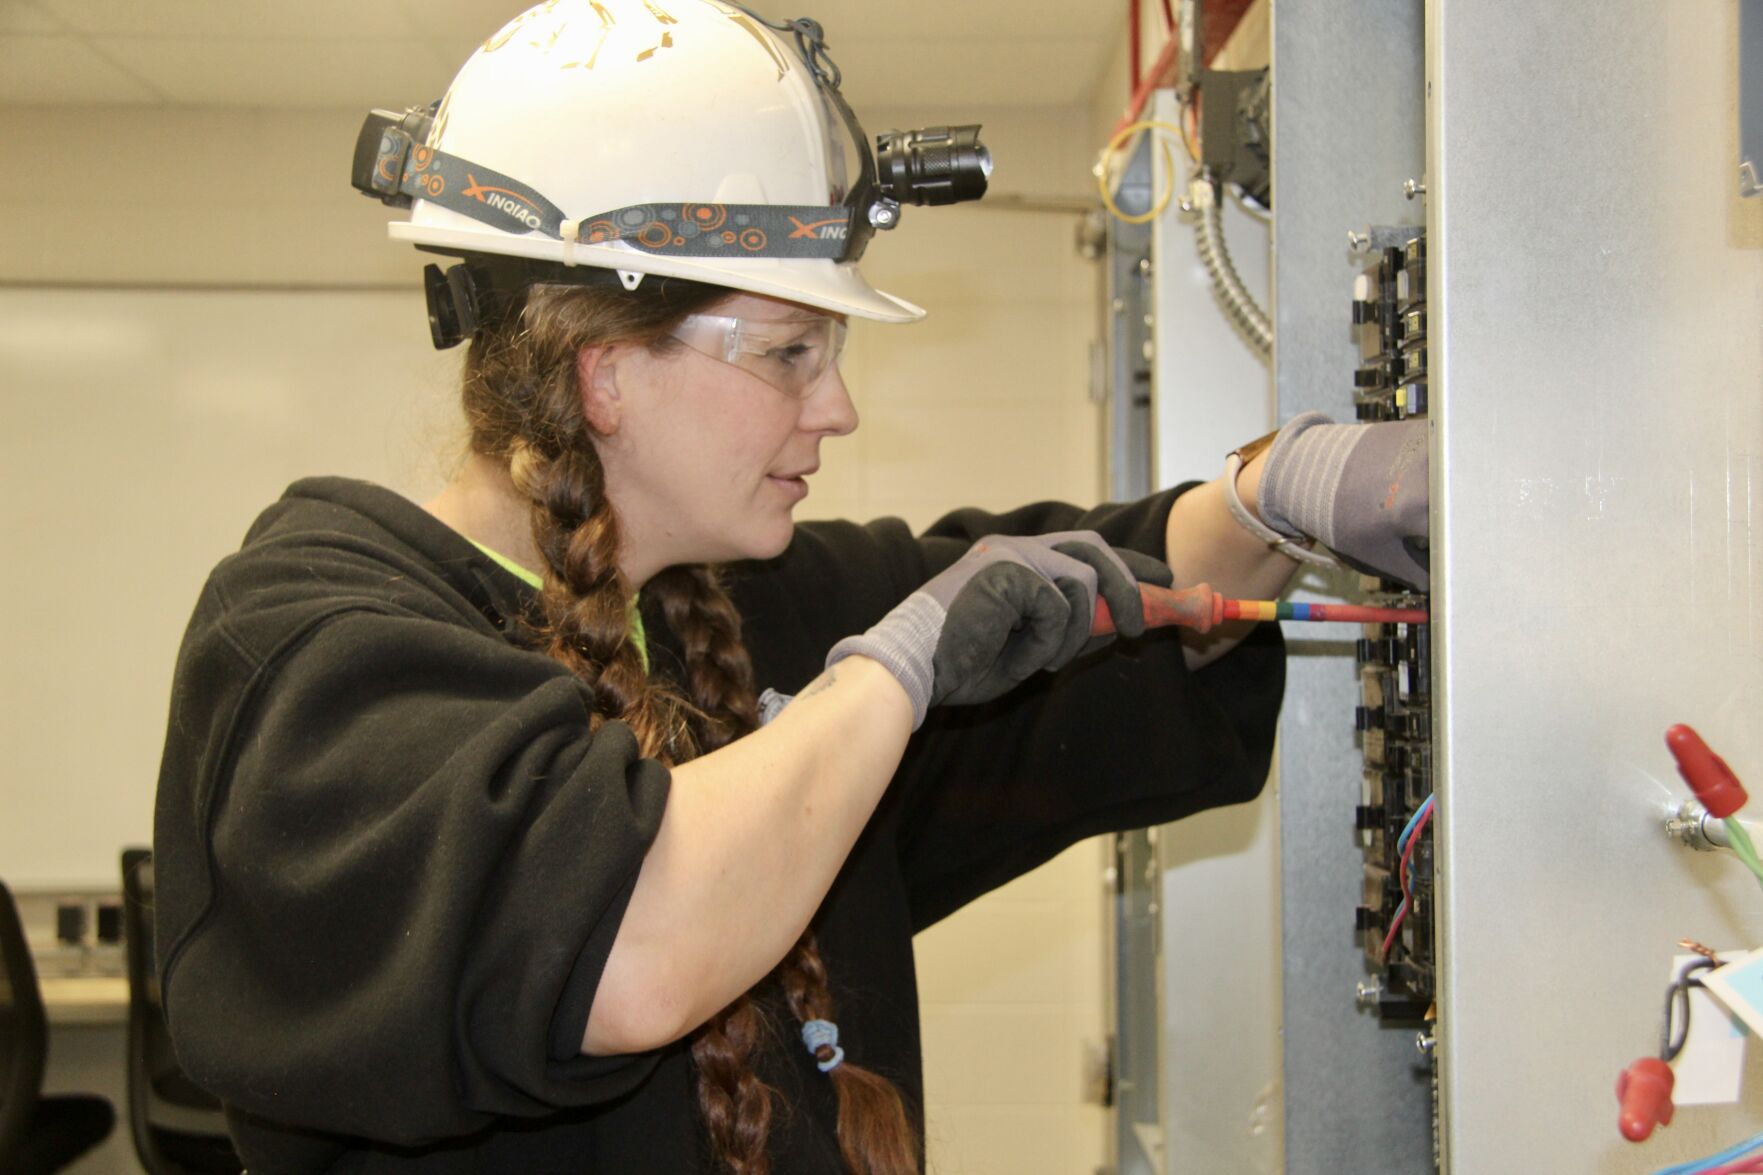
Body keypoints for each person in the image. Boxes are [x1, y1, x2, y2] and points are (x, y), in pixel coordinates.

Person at [151, 3, 1430, 1172]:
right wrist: (894, 673)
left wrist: (1284, 494)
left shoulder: (752, 606)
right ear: (604, 367)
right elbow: (624, 944)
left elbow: (1104, 599)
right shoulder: (308, 655)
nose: (838, 408)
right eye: (788, 355)